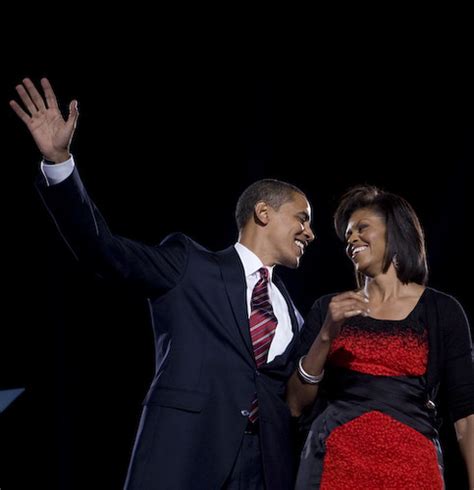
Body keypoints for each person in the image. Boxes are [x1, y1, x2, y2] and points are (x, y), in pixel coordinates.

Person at [10, 78, 315, 490]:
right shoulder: (189, 264)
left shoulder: (295, 316)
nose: (309, 233)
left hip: (264, 472)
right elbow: (104, 251)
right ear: (263, 212)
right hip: (183, 459)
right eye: (302, 218)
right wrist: (60, 163)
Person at [287, 185, 474, 489]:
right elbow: (295, 403)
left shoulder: (442, 310)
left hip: (413, 466)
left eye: (362, 228)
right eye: (348, 235)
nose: (352, 240)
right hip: (334, 463)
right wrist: (326, 334)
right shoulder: (328, 309)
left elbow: (466, 416)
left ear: (396, 232)